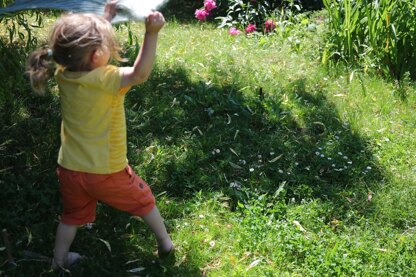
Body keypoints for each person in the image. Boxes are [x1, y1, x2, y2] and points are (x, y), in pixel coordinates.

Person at [26, 1, 173, 271]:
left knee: (71, 217)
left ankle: (58, 261)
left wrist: (105, 17)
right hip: (107, 171)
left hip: (70, 169)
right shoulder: (106, 79)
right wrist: (151, 34)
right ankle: (165, 242)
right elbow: (140, 73)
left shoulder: (63, 73)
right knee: (145, 201)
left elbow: (80, 50)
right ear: (96, 56)